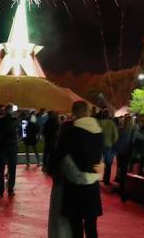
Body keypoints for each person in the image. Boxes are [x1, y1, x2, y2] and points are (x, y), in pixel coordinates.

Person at [55, 100, 104, 238]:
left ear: (74, 113)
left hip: (75, 184)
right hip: (92, 183)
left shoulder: (72, 132)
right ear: (88, 112)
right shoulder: (99, 132)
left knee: (76, 226)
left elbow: (59, 154)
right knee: (91, 226)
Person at [0, 104, 20, 196]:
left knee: (1, 169)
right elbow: (17, 131)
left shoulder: (0, 120)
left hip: (3, 146)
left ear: (5, 110)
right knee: (12, 169)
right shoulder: (16, 120)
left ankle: (1, 190)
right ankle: (10, 189)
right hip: (12, 146)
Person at [98, 109, 119, 185]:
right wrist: (113, 142)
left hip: (100, 145)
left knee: (98, 162)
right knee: (108, 163)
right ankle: (106, 180)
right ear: (108, 115)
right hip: (109, 145)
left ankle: (99, 178)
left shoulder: (99, 122)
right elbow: (116, 136)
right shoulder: (111, 123)